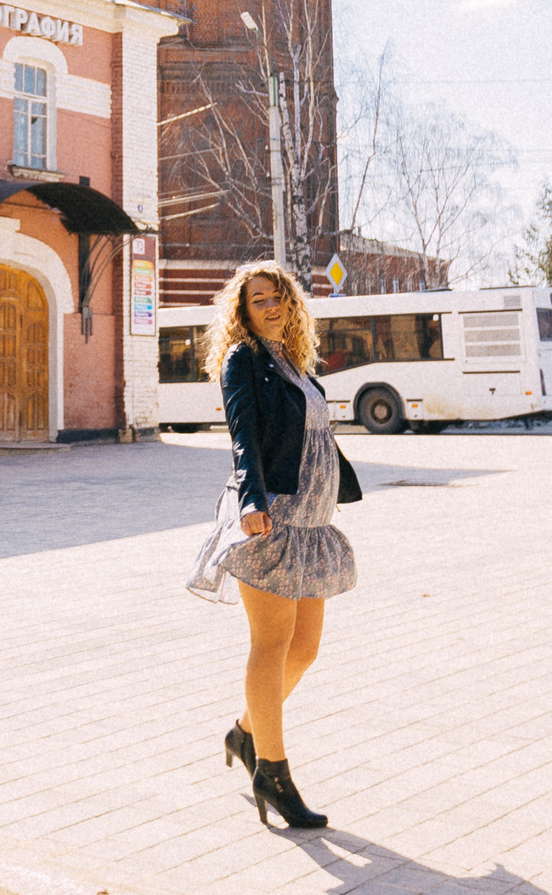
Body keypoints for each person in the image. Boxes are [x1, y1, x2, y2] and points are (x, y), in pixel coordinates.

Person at [185, 262, 361, 830]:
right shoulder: (244, 360)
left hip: (310, 523)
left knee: (304, 649)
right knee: (272, 642)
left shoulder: (295, 362)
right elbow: (243, 436)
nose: (271, 306)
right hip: (271, 520)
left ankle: (244, 731)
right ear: (242, 310)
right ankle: (273, 771)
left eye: (278, 297)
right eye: (258, 300)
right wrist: (252, 502)